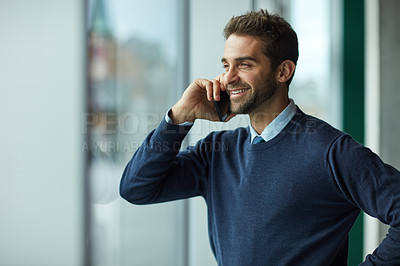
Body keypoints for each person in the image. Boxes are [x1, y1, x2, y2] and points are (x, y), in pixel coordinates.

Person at [120, 9, 400, 265]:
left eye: (244, 65)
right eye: (226, 65)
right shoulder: (217, 151)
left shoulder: (330, 151)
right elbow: (136, 188)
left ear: (283, 71)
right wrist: (179, 118)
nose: (228, 78)